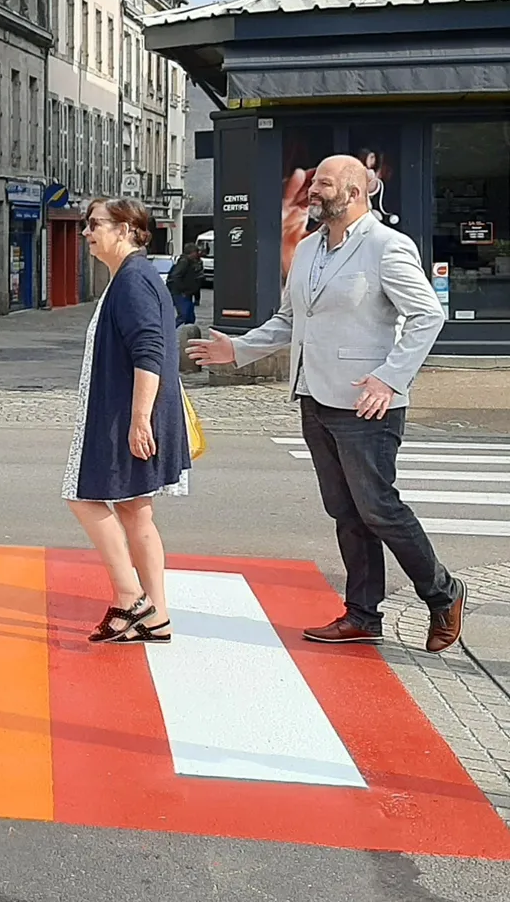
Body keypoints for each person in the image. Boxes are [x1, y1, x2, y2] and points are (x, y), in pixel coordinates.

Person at [190, 154, 467, 651]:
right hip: (315, 395)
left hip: (367, 402)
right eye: (314, 182)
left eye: (324, 183)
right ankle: (362, 614)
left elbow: (428, 314)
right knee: (345, 511)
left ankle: (443, 593)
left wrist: (389, 378)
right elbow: (289, 319)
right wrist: (238, 350)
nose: (313, 191)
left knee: (378, 507)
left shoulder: (386, 247)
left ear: (356, 192)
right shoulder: (310, 247)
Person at [62, 199, 190, 643]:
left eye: (94, 224)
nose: (85, 233)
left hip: (126, 414)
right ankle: (156, 614)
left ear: (126, 229)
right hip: (133, 411)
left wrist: (139, 419)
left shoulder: (132, 280)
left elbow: (149, 351)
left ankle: (131, 597)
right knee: (136, 511)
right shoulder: (132, 277)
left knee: (83, 497)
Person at [167, 242, 204, 327]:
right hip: (181, 293)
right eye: (196, 251)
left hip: (188, 293)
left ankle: (189, 334)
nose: (198, 253)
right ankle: (169, 332)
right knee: (183, 315)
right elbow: (176, 276)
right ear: (191, 253)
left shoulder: (193, 262)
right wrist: (183, 289)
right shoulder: (184, 262)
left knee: (190, 317)